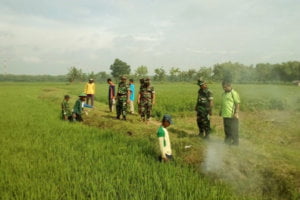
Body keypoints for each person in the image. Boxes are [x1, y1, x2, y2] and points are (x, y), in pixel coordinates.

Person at [220, 80, 241, 145]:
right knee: (227, 128)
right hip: (225, 114)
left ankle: (235, 142)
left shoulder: (234, 93)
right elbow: (223, 103)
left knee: (234, 129)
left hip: (232, 115)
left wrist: (236, 113)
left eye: (225, 87)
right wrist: (221, 111)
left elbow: (237, 103)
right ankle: (228, 140)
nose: (224, 88)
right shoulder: (223, 94)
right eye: (223, 87)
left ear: (230, 86)